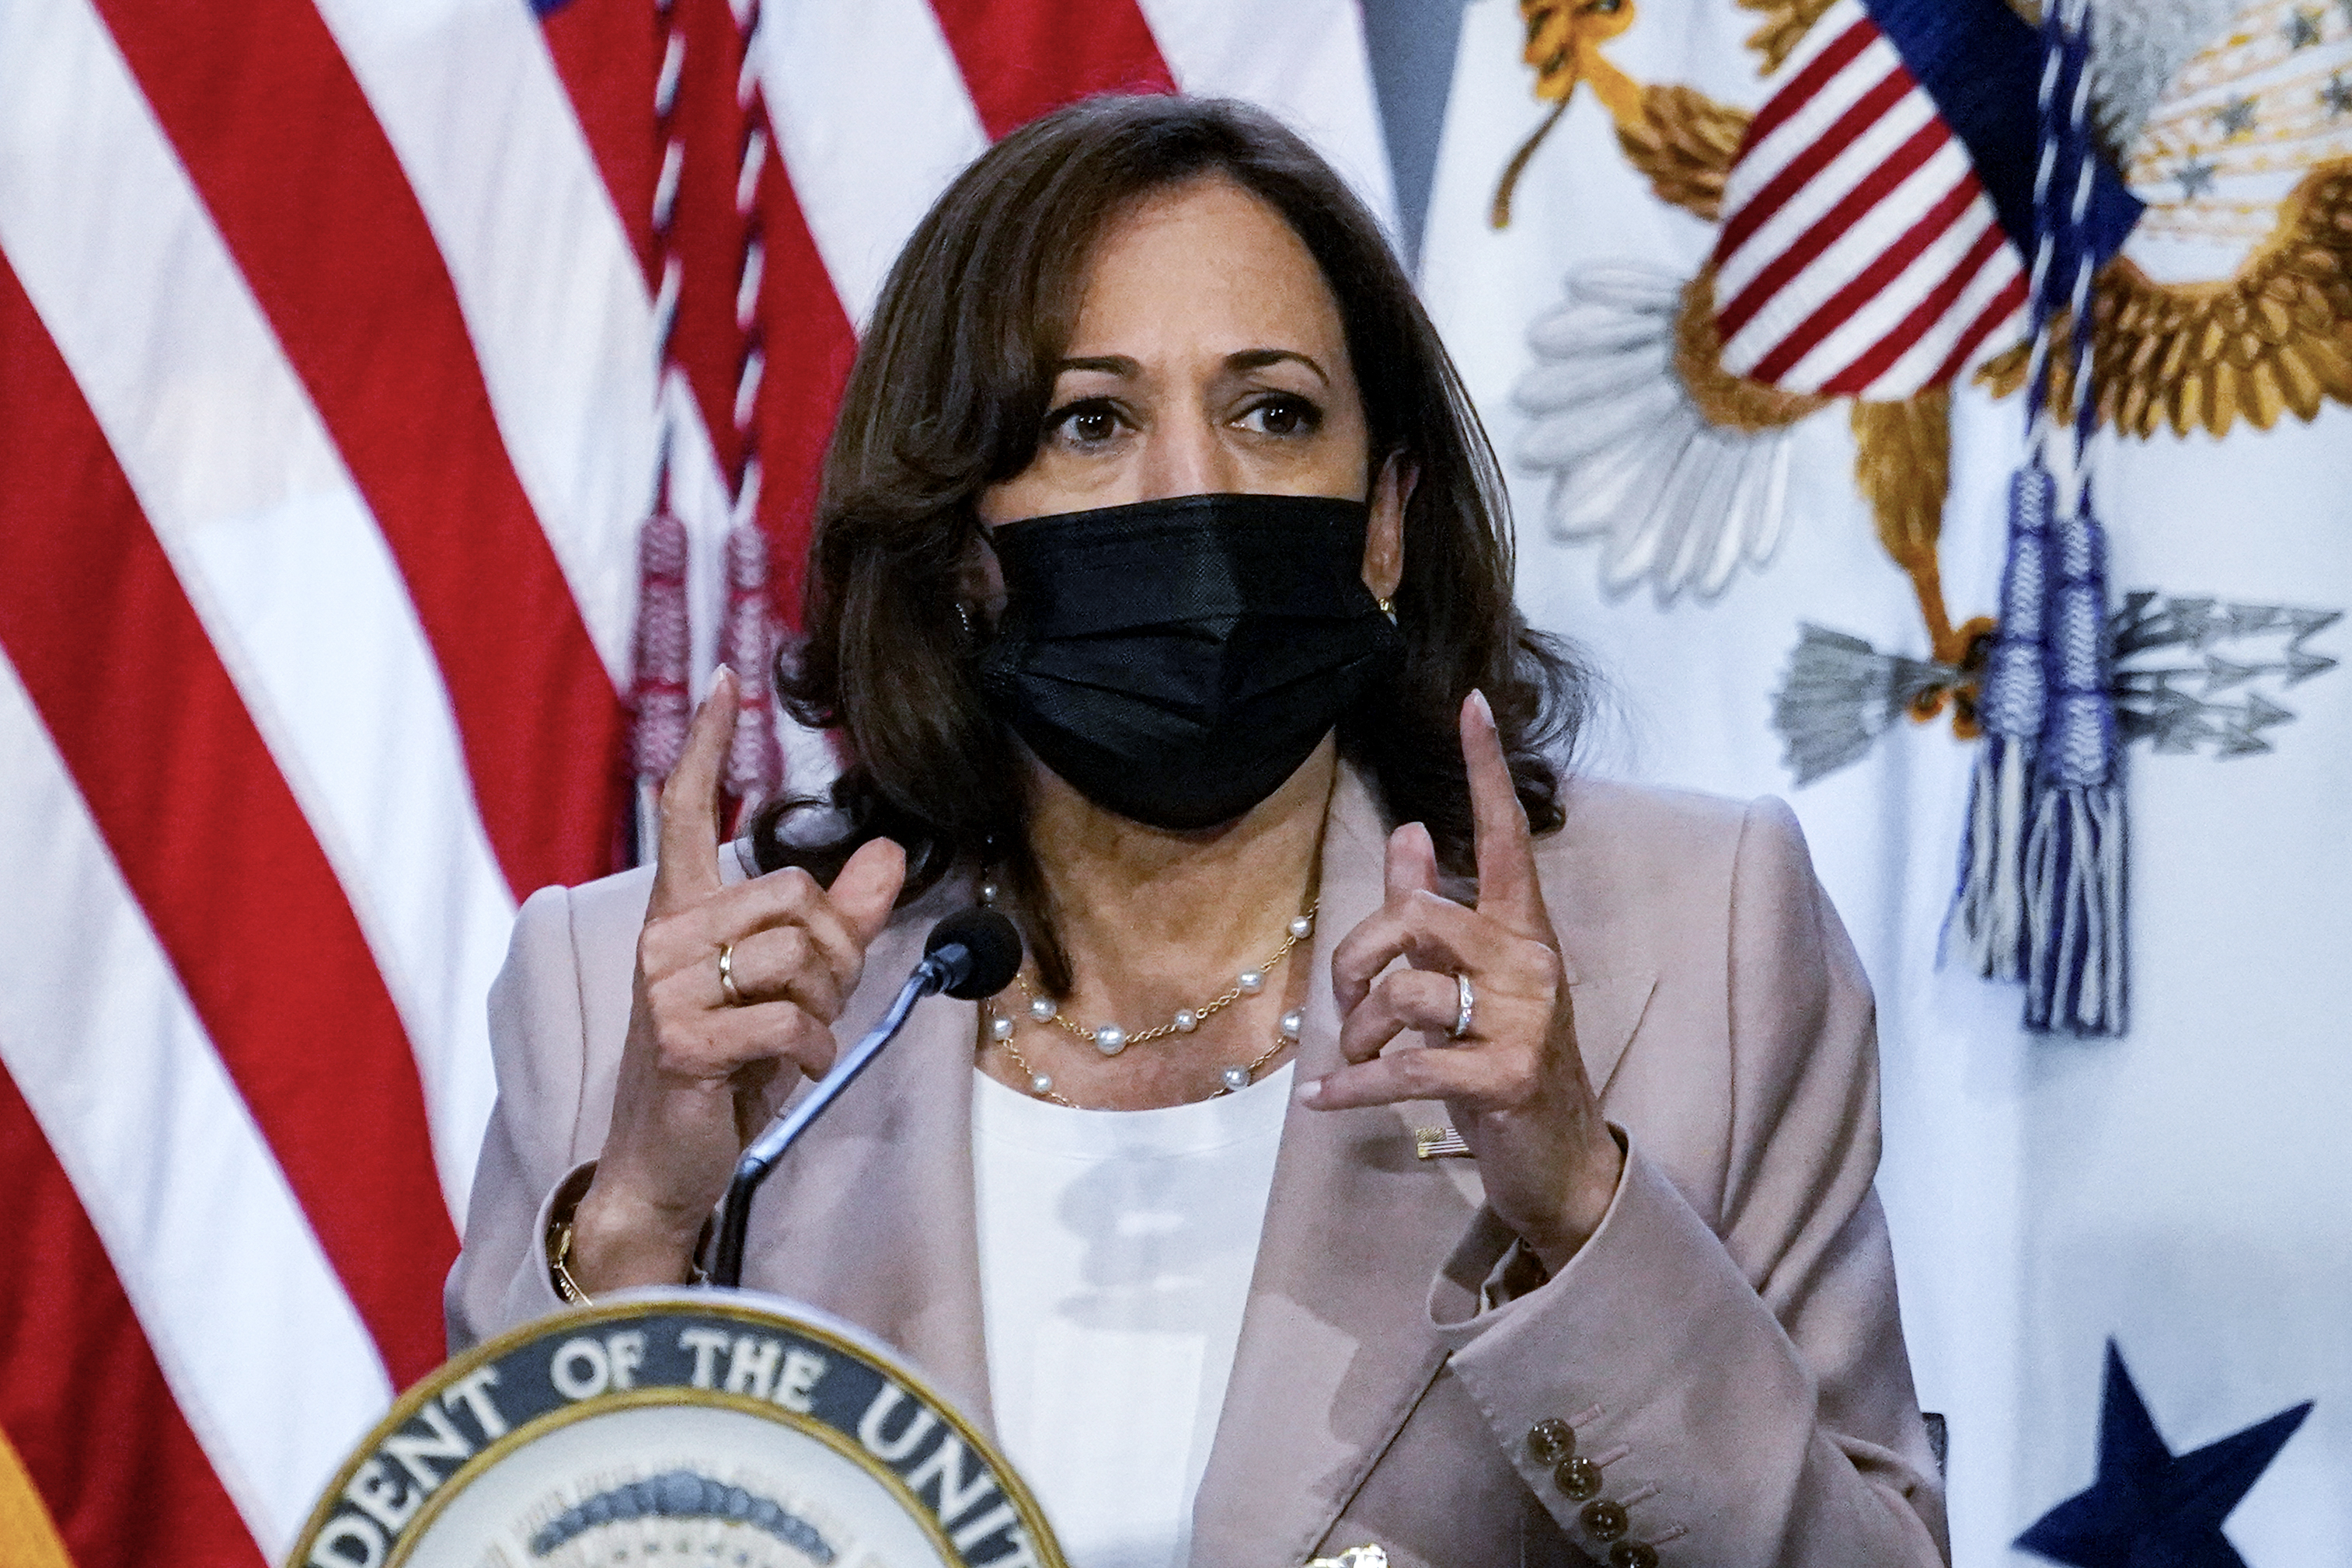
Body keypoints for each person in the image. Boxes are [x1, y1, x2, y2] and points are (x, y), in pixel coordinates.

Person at [448, 95, 1949, 1568]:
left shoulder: (1697, 941)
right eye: (1091, 422)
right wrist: (640, 1222)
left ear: (1380, 521)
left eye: (1273, 412)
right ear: (965, 542)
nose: (1194, 491)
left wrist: (1579, 1203)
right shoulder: (628, 1003)